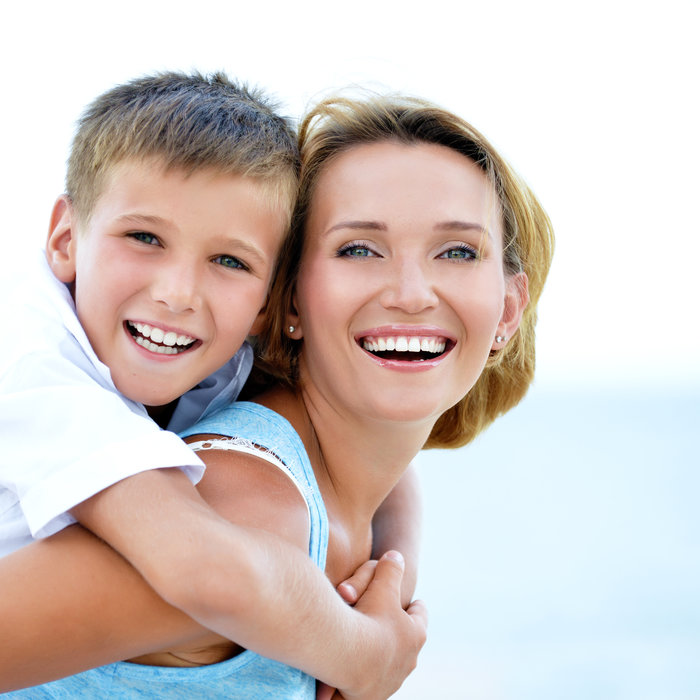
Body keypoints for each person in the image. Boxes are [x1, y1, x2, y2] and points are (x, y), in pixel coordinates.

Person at [0, 91, 554, 698]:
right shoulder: (249, 514)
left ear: (508, 310)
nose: (411, 292)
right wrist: (366, 654)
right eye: (359, 249)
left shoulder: (326, 467)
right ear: (289, 301)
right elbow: (211, 569)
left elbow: (392, 477)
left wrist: (394, 571)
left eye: (456, 251)